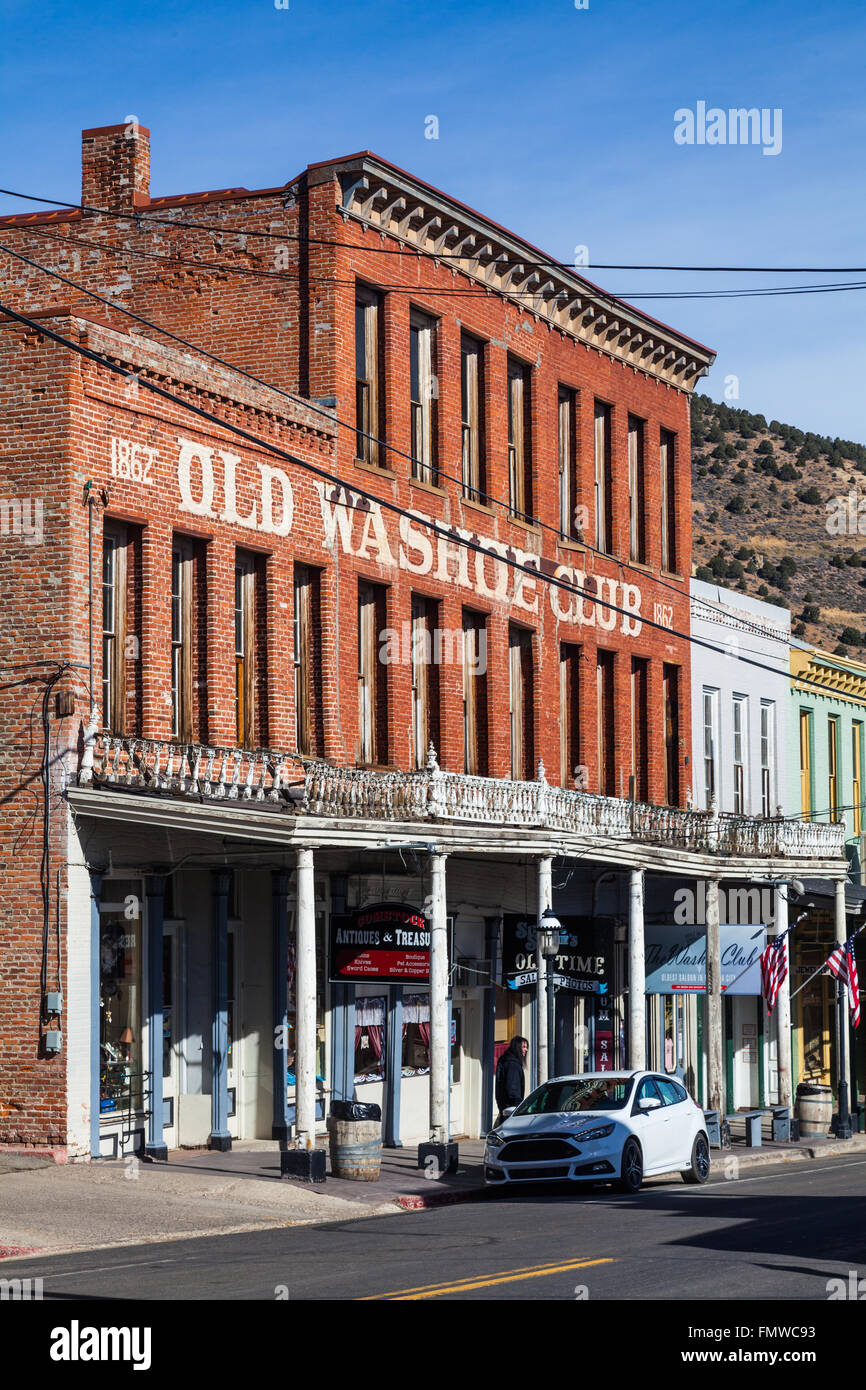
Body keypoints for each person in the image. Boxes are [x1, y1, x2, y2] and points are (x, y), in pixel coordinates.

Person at [495, 1035, 529, 1123]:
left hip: (505, 1107)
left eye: (526, 1047)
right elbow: (513, 1090)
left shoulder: (507, 1061)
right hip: (511, 1109)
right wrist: (517, 1107)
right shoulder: (512, 1064)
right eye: (524, 1047)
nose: (526, 1050)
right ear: (517, 1047)